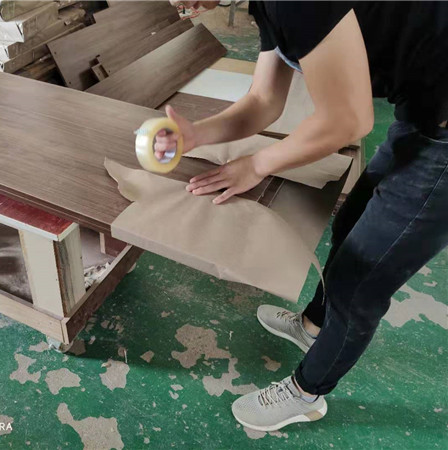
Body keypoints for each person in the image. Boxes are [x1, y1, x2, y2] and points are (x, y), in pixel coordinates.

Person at [161, 1, 448, 431]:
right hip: (423, 113)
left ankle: (306, 393)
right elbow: (262, 101)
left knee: (359, 282)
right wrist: (197, 134)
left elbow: (349, 120)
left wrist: (257, 164)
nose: (175, 3)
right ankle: (313, 326)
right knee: (350, 224)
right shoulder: (269, 5)